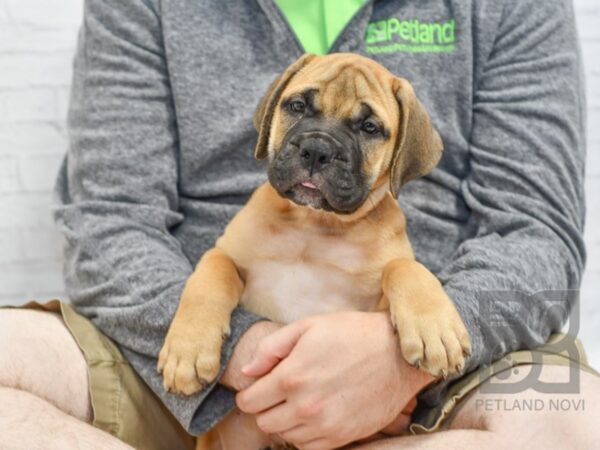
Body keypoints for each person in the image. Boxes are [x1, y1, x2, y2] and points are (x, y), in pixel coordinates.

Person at [1, 0, 599, 449]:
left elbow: (536, 229)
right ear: (268, 121)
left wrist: (400, 361)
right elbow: (109, 218)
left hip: (418, 396)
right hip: (187, 372)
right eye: (298, 111)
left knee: (572, 422)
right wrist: (240, 347)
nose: (318, 149)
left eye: (366, 130)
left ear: (399, 156)